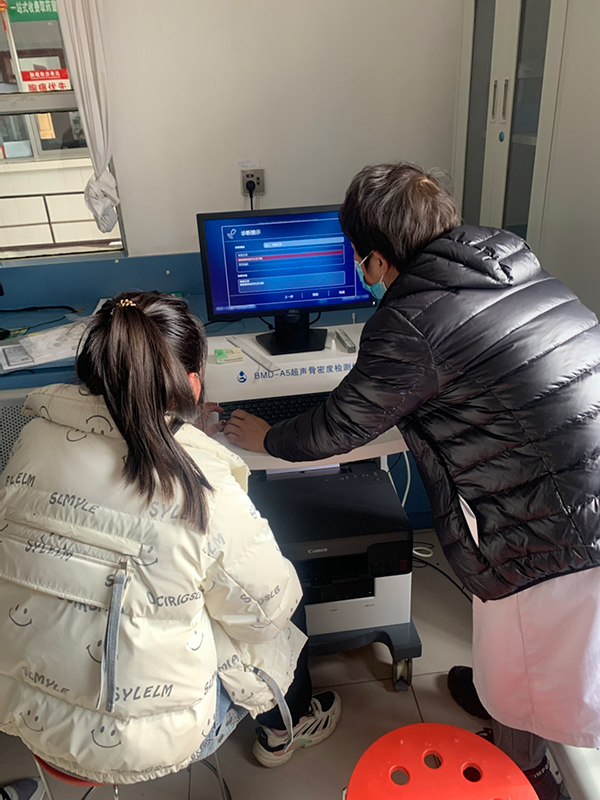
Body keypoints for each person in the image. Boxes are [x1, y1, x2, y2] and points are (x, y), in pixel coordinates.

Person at [223, 162, 600, 800]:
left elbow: (340, 427)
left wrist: (267, 437)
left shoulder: (410, 321)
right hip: (574, 479)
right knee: (528, 656)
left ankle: (529, 772)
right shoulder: (508, 261)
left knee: (539, 666)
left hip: (554, 520)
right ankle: (505, 706)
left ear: (374, 260)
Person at [0, 292, 340, 785]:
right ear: (193, 384)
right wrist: (193, 442)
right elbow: (267, 612)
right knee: (278, 602)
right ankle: (286, 727)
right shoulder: (200, 480)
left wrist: (179, 426)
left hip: (25, 709)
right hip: (145, 741)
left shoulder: (32, 439)